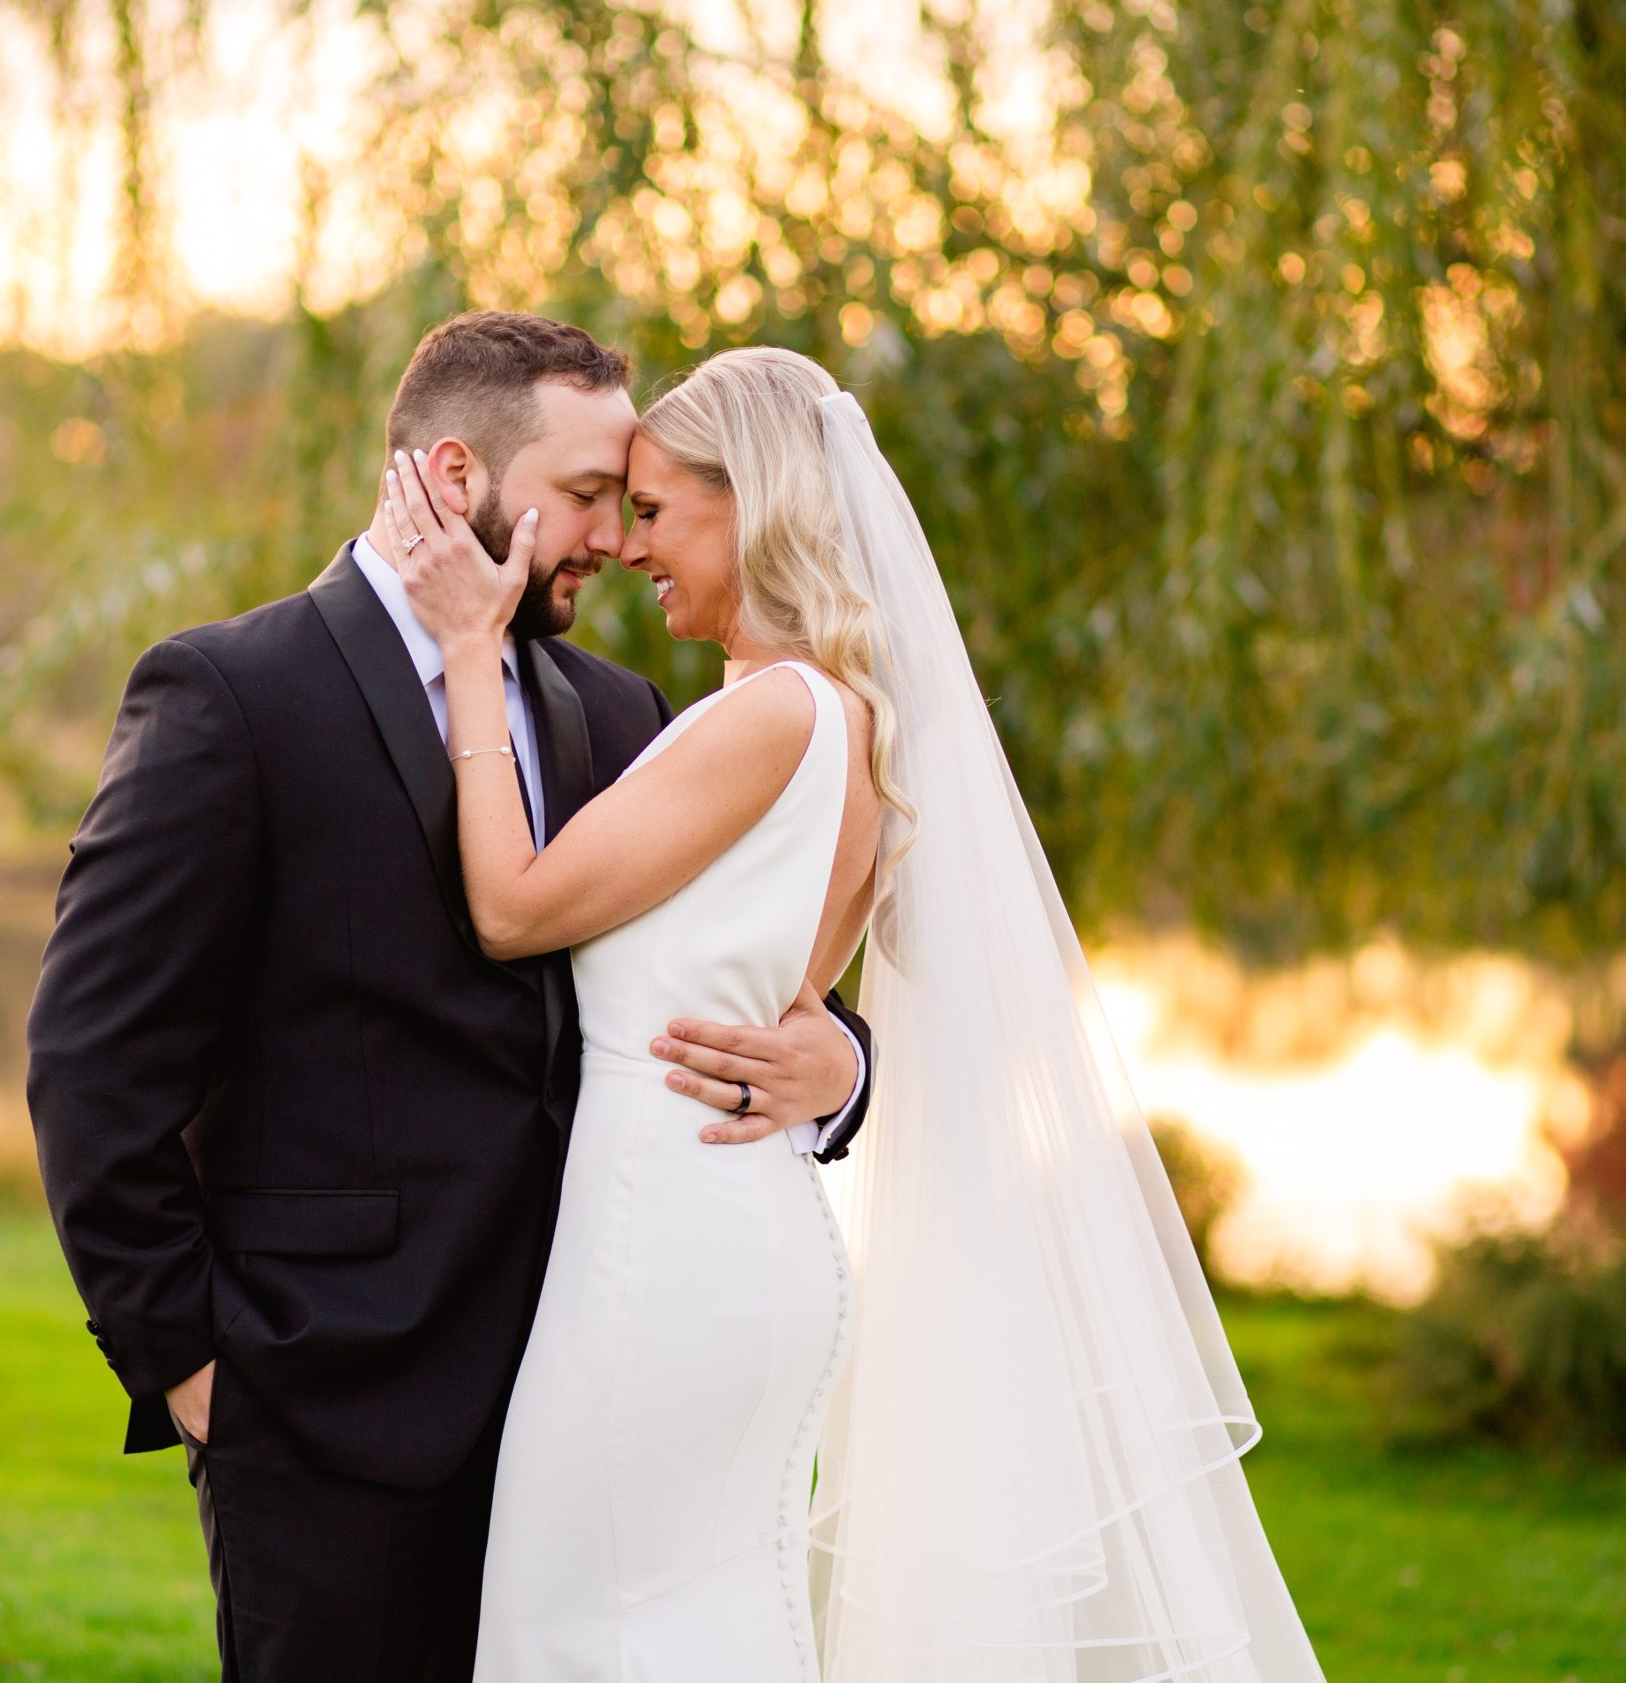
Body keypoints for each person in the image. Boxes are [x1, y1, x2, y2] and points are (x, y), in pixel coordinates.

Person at [383, 346, 1328, 1682]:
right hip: (745, 1233)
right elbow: (813, 984)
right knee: (715, 1626)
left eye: (654, 512)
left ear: (749, 499)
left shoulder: (770, 713)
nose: (628, 545)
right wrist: (841, 1056)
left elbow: (515, 910)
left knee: (572, 1630)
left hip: (660, 1255)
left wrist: (472, 654)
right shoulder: (857, 724)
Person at [23, 312, 878, 1683]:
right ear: (454, 476)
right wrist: (192, 1371)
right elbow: (91, 1067)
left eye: (633, 501)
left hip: (598, 1382)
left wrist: (840, 1069)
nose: (614, 537)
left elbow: (732, 966)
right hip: (329, 1413)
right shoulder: (233, 697)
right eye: (589, 495)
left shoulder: (621, 712)